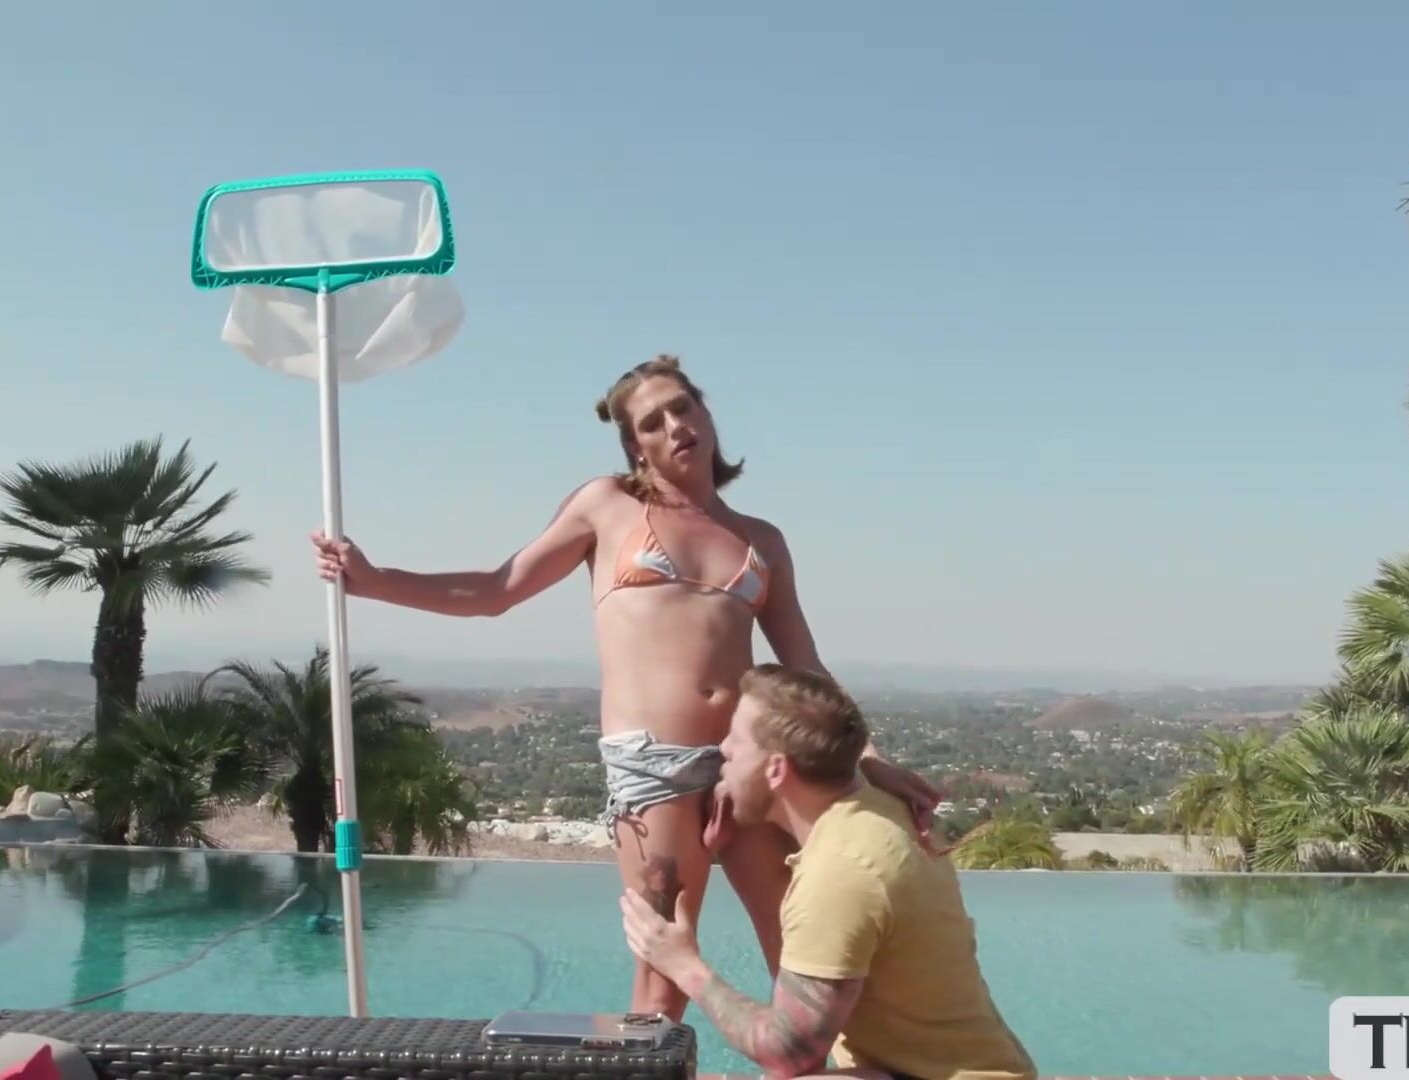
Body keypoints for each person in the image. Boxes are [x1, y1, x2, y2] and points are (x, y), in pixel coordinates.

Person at [310, 354, 941, 1020]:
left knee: (798, 957)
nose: (674, 426)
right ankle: (645, 1066)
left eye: (682, 408)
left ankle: (815, 1065)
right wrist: (376, 582)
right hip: (655, 765)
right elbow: (498, 589)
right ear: (635, 446)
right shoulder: (607, 507)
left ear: (706, 413)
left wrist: (871, 759)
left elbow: (806, 669)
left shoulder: (762, 541)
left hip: (751, 766)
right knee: (663, 977)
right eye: (651, 423)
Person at [621, 663, 1036, 1080]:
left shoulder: (839, 874)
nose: (722, 750)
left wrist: (684, 965)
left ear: (777, 770)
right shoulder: (881, 810)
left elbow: (787, 1053)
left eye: (736, 742)